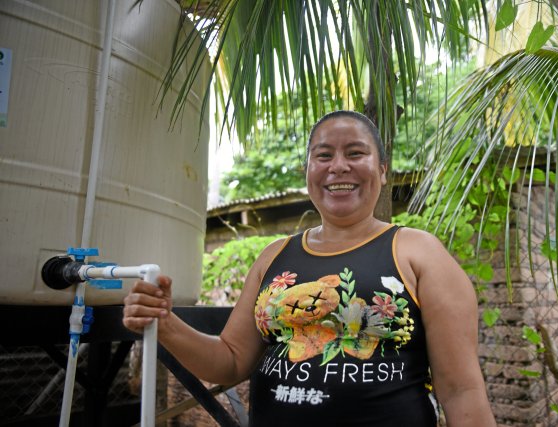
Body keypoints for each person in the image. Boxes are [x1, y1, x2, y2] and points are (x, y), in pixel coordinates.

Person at [123, 110, 496, 426]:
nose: (338, 167)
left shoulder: (419, 252)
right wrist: (165, 323)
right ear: (307, 171)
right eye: (323, 156)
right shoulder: (274, 255)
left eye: (355, 153)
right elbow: (231, 361)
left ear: (382, 170)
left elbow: (461, 390)